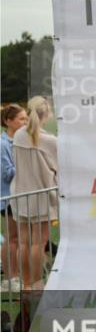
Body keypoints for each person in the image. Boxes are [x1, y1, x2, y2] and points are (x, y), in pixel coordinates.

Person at [11, 97, 58, 291]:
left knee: (23, 242)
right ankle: (36, 281)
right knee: (39, 242)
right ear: (46, 115)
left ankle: (27, 282)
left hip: (20, 194)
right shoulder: (49, 140)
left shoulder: (19, 135)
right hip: (41, 195)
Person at [1, 104, 27, 289]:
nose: (24, 122)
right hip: (9, 197)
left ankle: (16, 277)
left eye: (26, 119)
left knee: (19, 238)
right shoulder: (3, 144)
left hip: (22, 195)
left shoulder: (21, 140)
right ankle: (9, 280)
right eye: (21, 119)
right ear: (7, 121)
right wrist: (28, 165)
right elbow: (7, 173)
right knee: (12, 238)